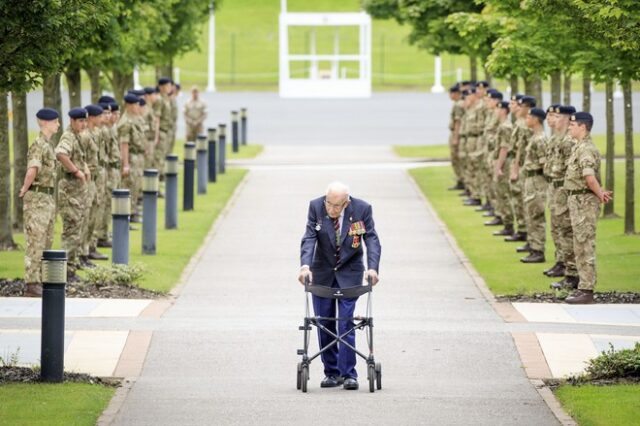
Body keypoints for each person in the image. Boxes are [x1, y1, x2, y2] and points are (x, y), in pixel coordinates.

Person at [298, 182, 381, 390]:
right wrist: (305, 266)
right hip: (322, 272)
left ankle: (349, 374)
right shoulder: (316, 206)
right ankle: (331, 372)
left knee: (345, 323)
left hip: (350, 272)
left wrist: (373, 268)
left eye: (337, 206)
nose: (331, 209)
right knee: (324, 323)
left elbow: (371, 239)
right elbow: (309, 238)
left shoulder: (362, 209)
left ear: (346, 203)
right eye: (329, 204)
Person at [563, 112, 612, 304]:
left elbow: (589, 177)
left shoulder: (586, 149)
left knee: (585, 245)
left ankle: (587, 290)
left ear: (582, 127)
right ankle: (582, 286)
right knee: (579, 244)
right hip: (577, 201)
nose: (569, 127)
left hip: (584, 202)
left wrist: (599, 193)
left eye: (572, 124)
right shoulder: (579, 147)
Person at [19, 108, 60, 296]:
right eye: (55, 122)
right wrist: (25, 189)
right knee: (35, 241)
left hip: (47, 199)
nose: (58, 125)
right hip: (37, 199)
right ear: (44, 122)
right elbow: (32, 169)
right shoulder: (38, 144)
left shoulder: (48, 145)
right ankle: (32, 283)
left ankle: (42, 279)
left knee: (46, 241)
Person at [55, 107, 89, 276]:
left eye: (85, 121)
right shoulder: (68, 136)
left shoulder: (77, 137)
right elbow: (61, 153)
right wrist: (76, 171)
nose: (84, 124)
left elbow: (79, 157)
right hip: (69, 191)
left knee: (77, 229)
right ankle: (66, 272)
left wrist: (85, 168)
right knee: (71, 230)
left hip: (77, 191)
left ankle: (72, 268)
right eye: (81, 121)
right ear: (72, 121)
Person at [519, 108, 548, 263]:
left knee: (536, 216)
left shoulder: (540, 139)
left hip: (537, 181)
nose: (526, 119)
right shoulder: (534, 137)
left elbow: (545, 166)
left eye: (529, 117)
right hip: (530, 180)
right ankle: (533, 246)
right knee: (530, 214)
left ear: (536, 119)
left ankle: (538, 251)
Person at [448, 84, 465, 190]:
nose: (450, 96)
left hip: (456, 133)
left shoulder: (458, 105)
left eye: (451, 93)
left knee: (456, 158)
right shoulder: (457, 104)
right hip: (454, 132)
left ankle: (461, 180)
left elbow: (458, 121)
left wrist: (455, 137)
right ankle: (460, 180)